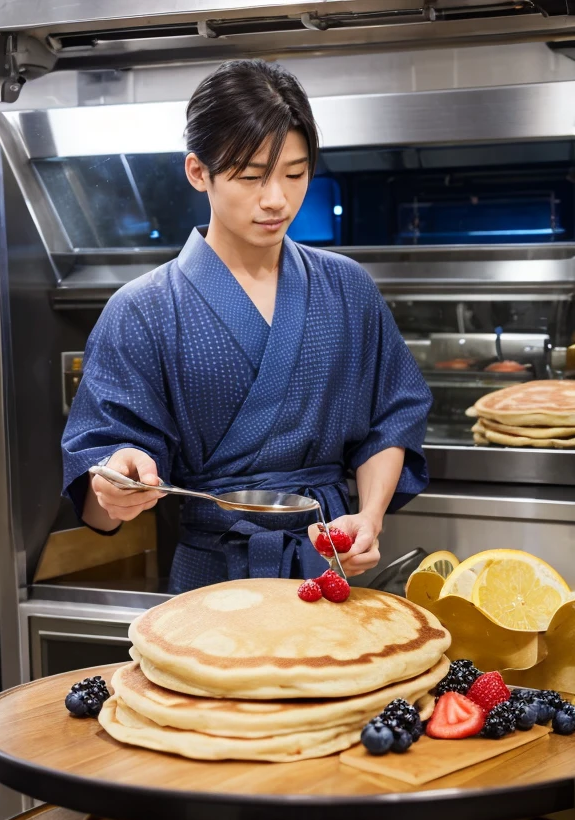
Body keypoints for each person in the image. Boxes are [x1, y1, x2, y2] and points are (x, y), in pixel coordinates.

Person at [62, 59, 432, 594]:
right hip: (211, 584)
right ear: (198, 172)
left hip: (325, 570)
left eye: (296, 173)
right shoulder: (142, 309)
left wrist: (369, 517)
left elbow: (392, 417)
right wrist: (115, 485)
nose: (277, 198)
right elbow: (103, 493)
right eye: (251, 176)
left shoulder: (347, 288)